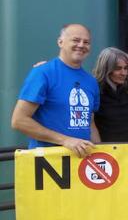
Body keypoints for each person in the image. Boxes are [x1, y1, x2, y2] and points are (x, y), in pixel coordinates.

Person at [11, 24, 100, 157]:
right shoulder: (43, 73)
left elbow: (90, 122)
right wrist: (65, 141)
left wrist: (100, 151)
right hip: (47, 163)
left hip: (83, 163)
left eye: (86, 42)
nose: (81, 45)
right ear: (60, 42)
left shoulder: (91, 81)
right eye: (76, 40)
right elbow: (19, 121)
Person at [92, 47, 128, 142]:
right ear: (106, 69)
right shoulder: (95, 90)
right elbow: (90, 125)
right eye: (118, 68)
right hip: (107, 151)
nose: (124, 73)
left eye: (126, 68)